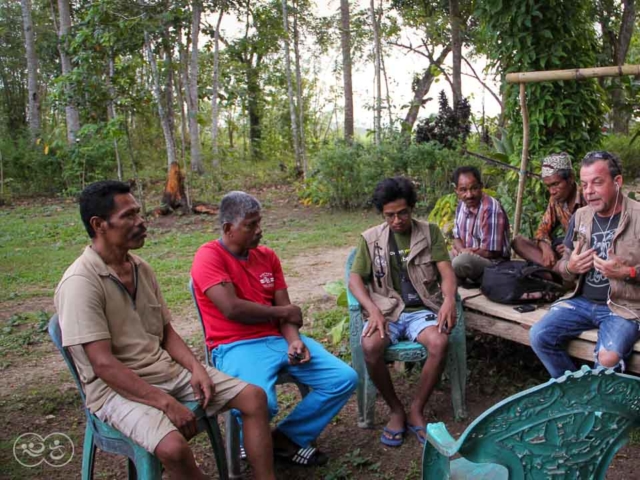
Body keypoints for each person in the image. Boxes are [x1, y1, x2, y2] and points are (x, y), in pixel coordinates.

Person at [54, 181, 275, 480]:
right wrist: (165, 403)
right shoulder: (80, 282)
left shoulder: (140, 268)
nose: (141, 221)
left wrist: (196, 368)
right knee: (173, 448)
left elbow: (166, 332)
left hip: (164, 371)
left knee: (254, 398)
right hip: (114, 389)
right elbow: (103, 364)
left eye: (139, 213)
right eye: (129, 216)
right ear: (99, 225)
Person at [191, 191, 358, 467]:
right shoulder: (209, 256)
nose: (259, 230)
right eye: (250, 225)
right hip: (235, 346)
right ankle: (256, 445)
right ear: (228, 229)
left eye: (259, 222)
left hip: (278, 339)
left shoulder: (267, 256)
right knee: (261, 404)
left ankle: (281, 440)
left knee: (343, 378)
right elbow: (232, 308)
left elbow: (285, 309)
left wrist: (293, 340)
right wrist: (283, 313)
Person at [348, 177, 457, 447]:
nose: (397, 220)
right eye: (390, 215)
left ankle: (416, 409)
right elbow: (354, 280)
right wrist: (372, 309)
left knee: (439, 342)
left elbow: (446, 272)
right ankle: (396, 410)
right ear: (382, 214)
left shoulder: (429, 233)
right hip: (386, 309)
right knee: (371, 346)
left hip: (421, 309)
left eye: (402, 213)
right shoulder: (370, 239)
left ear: (412, 208)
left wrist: (449, 299)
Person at [530, 151, 640, 378]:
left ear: (617, 182)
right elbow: (563, 268)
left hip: (623, 308)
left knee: (607, 357)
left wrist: (627, 272)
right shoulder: (581, 216)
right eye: (585, 184)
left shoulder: (637, 215)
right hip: (581, 302)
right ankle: (576, 392)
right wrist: (571, 266)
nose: (589, 191)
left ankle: (603, 407)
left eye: (597, 183)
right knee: (539, 335)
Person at [512, 153, 586, 269]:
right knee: (518, 242)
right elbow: (542, 230)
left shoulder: (587, 197)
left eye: (556, 184)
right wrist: (545, 246)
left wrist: (571, 247)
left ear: (570, 178)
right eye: (548, 186)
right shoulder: (555, 201)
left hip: (584, 255)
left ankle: (559, 272)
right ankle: (560, 271)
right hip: (565, 256)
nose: (552, 191)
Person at [450, 166, 511, 285]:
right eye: (463, 190)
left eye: (474, 188)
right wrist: (461, 249)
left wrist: (464, 253)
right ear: (456, 190)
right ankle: (465, 280)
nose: (469, 195)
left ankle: (469, 280)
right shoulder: (461, 206)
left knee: (460, 262)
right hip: (468, 255)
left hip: (494, 263)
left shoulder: (491, 209)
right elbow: (456, 237)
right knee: (441, 259)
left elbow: (491, 252)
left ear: (481, 186)